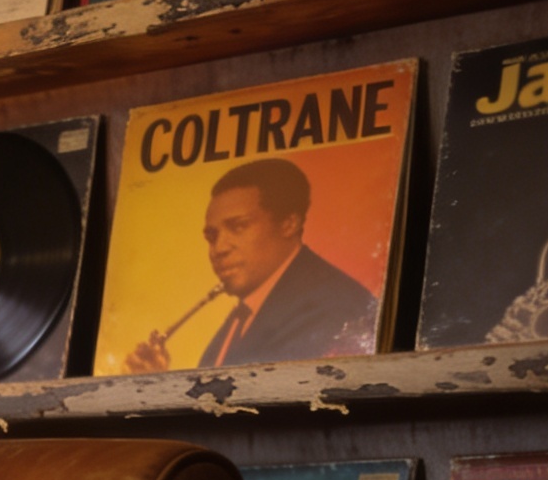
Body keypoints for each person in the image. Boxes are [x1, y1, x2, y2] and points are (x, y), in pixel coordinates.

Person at [124, 158, 377, 373]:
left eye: (238, 226)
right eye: (212, 236)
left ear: (289, 224)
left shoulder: (332, 308)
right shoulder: (245, 314)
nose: (219, 249)